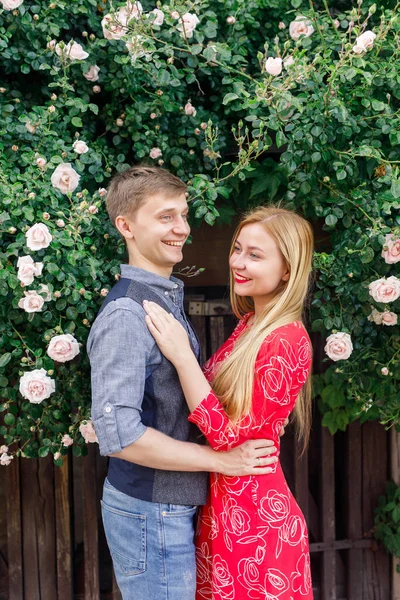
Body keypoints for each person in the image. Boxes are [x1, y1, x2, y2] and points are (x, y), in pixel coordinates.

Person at [87, 166, 280, 600]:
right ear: (126, 226)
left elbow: (175, 400)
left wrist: (253, 421)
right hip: (149, 510)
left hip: (167, 506)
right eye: (166, 217)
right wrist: (221, 460)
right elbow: (120, 437)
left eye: (184, 215)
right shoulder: (126, 315)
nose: (182, 229)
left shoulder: (160, 298)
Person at [143, 206, 314, 599]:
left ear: (287, 270)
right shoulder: (253, 323)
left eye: (255, 255)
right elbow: (242, 415)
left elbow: (226, 436)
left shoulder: (285, 339)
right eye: (238, 249)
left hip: (255, 526)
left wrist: (182, 356)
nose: (238, 262)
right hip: (224, 512)